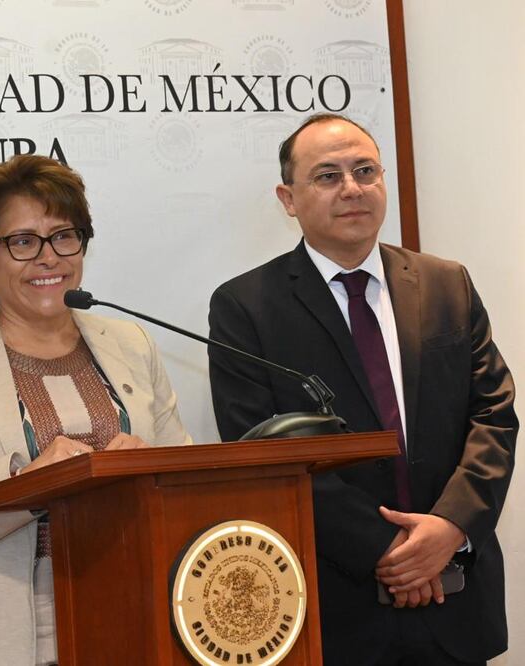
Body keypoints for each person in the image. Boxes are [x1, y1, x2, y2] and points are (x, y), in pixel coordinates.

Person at [207, 113, 516, 665]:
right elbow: (261, 453)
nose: (351, 189)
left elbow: (493, 414)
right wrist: (391, 551)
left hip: (459, 598)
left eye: (364, 170)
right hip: (337, 609)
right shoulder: (245, 307)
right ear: (288, 198)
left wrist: (450, 527)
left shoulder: (447, 283)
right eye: (327, 176)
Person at [0, 154, 191, 666]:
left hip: (137, 618)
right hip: (4, 638)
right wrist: (26, 482)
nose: (49, 257)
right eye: (22, 242)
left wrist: (151, 470)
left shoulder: (131, 343)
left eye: (63, 236)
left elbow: (186, 488)